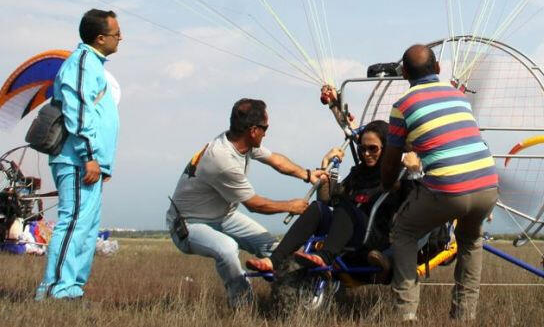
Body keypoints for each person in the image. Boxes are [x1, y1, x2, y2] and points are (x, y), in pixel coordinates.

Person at [166, 98, 325, 308]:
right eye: (265, 128)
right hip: (188, 224)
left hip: (223, 216)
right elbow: (254, 204)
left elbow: (276, 160)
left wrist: (307, 174)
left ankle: (294, 297)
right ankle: (243, 305)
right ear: (253, 130)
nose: (266, 133)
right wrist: (290, 206)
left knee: (275, 249)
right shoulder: (222, 159)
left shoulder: (241, 143)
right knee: (227, 249)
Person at [381, 44, 499, 321]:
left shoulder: (402, 106)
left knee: (404, 233)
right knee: (470, 240)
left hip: (448, 188)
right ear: (438, 69)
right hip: (487, 184)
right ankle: (464, 315)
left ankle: (405, 313)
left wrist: (387, 184)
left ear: (404, 73)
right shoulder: (458, 96)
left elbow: (391, 157)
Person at [245, 120, 418, 276]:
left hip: (375, 238)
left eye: (372, 148)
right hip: (349, 233)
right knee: (317, 208)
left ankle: (325, 256)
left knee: (345, 207)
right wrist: (325, 168)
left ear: (386, 148)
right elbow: (329, 201)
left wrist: (413, 172)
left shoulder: (397, 174)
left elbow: (413, 204)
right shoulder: (358, 173)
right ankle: (273, 260)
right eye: (362, 149)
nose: (366, 154)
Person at [35, 9, 121, 300]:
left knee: (86, 227)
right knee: (73, 222)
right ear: (100, 38)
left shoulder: (94, 65)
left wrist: (101, 162)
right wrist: (89, 156)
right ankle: (56, 289)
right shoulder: (83, 63)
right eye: (115, 33)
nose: (120, 37)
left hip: (88, 161)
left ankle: (72, 289)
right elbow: (79, 110)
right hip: (76, 159)